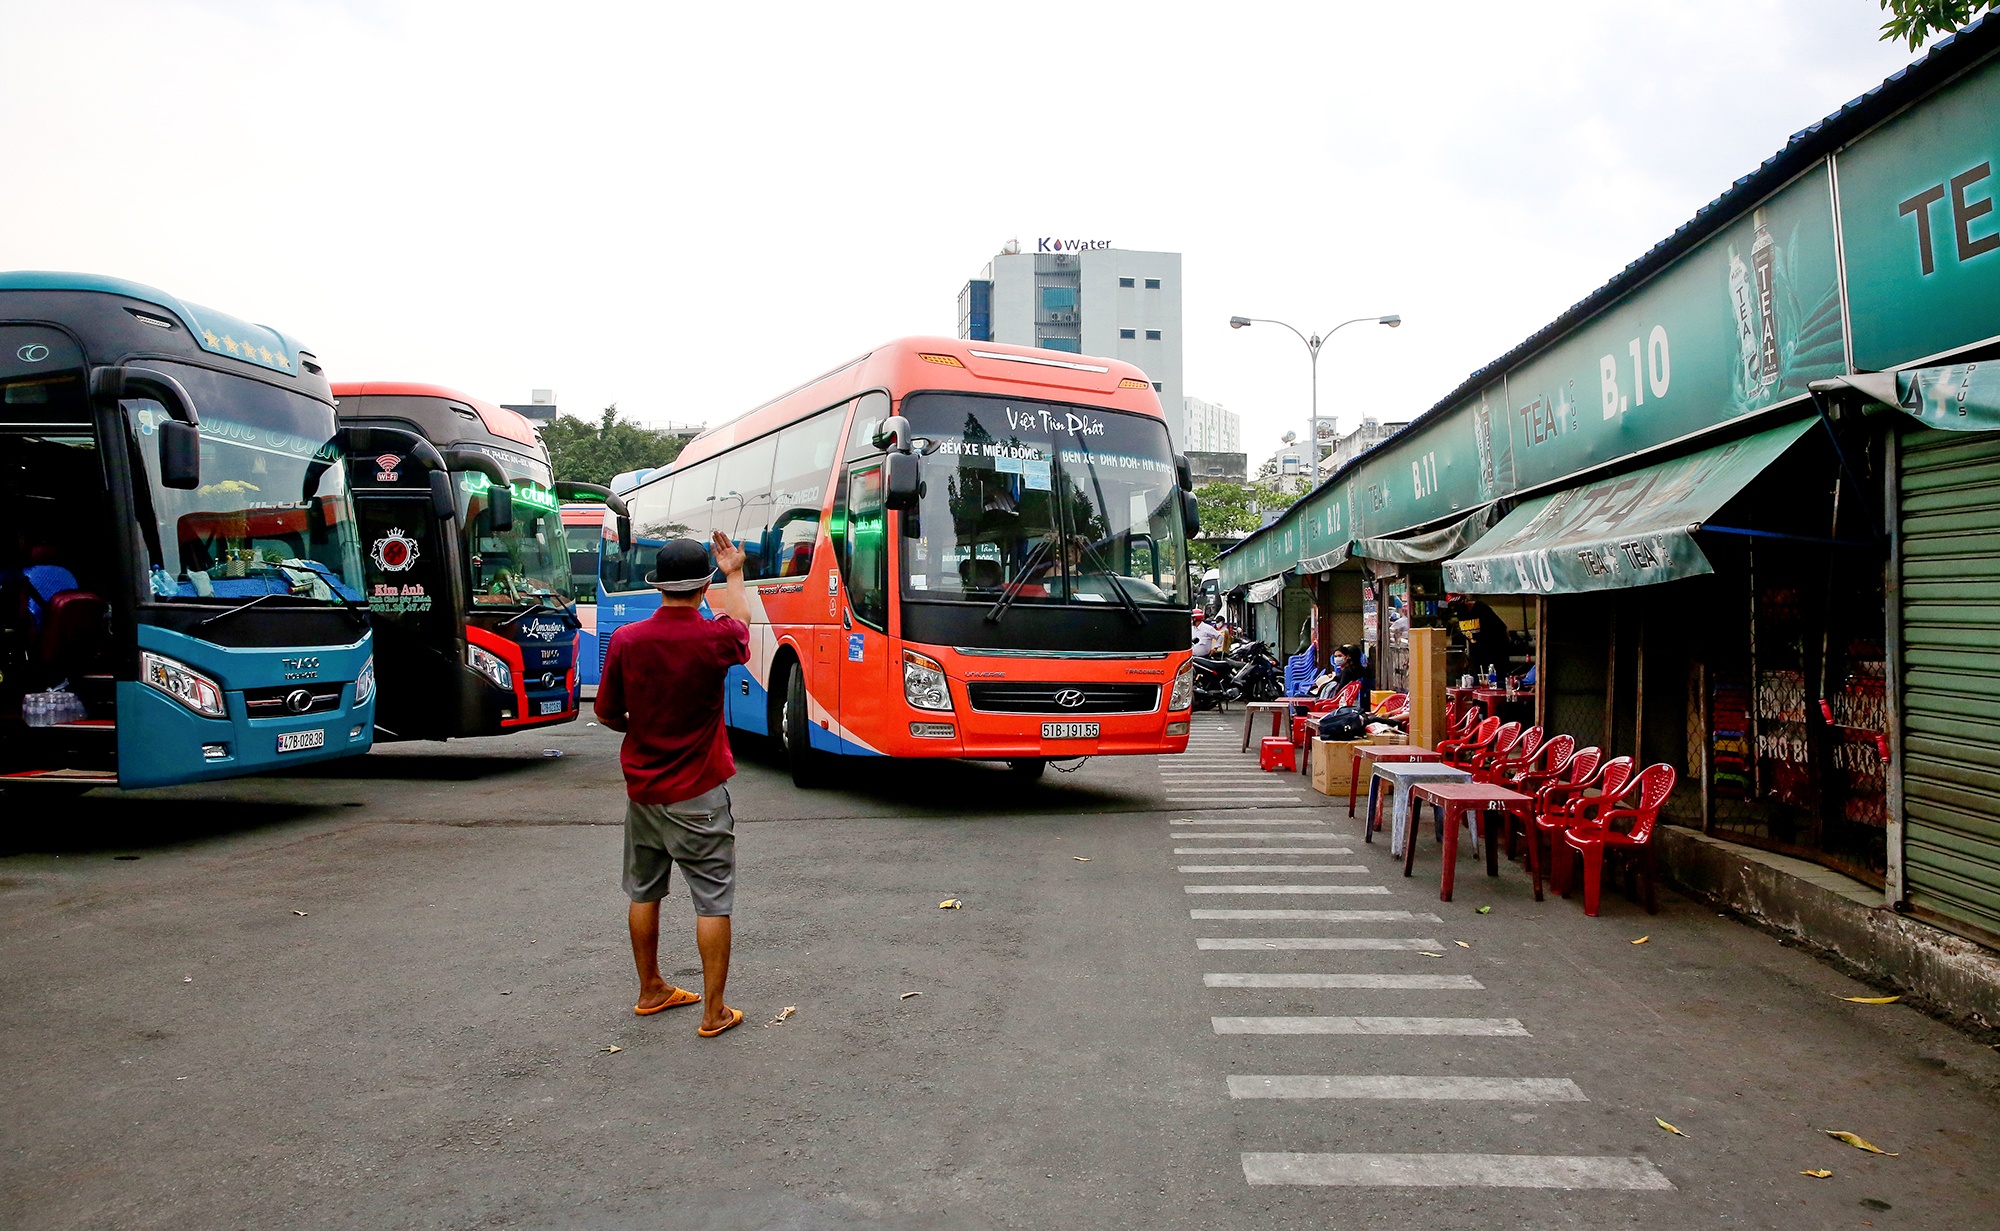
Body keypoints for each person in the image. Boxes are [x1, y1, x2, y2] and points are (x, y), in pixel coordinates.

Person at [593, 530, 752, 1038]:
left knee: (644, 892)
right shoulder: (714, 638)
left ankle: (651, 989)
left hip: (644, 792)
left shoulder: (627, 640)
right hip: (699, 792)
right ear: (703, 586)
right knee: (712, 900)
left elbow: (606, 712)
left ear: (658, 585)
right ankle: (714, 1012)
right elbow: (742, 623)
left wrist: (639, 729)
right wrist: (734, 574)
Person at [1446, 593, 1511, 676]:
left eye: (1456, 604)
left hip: (1494, 652)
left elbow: (1500, 628)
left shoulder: (1480, 608)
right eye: (1452, 605)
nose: (1454, 607)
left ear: (1464, 600)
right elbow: (1466, 633)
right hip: (1477, 655)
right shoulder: (1461, 613)